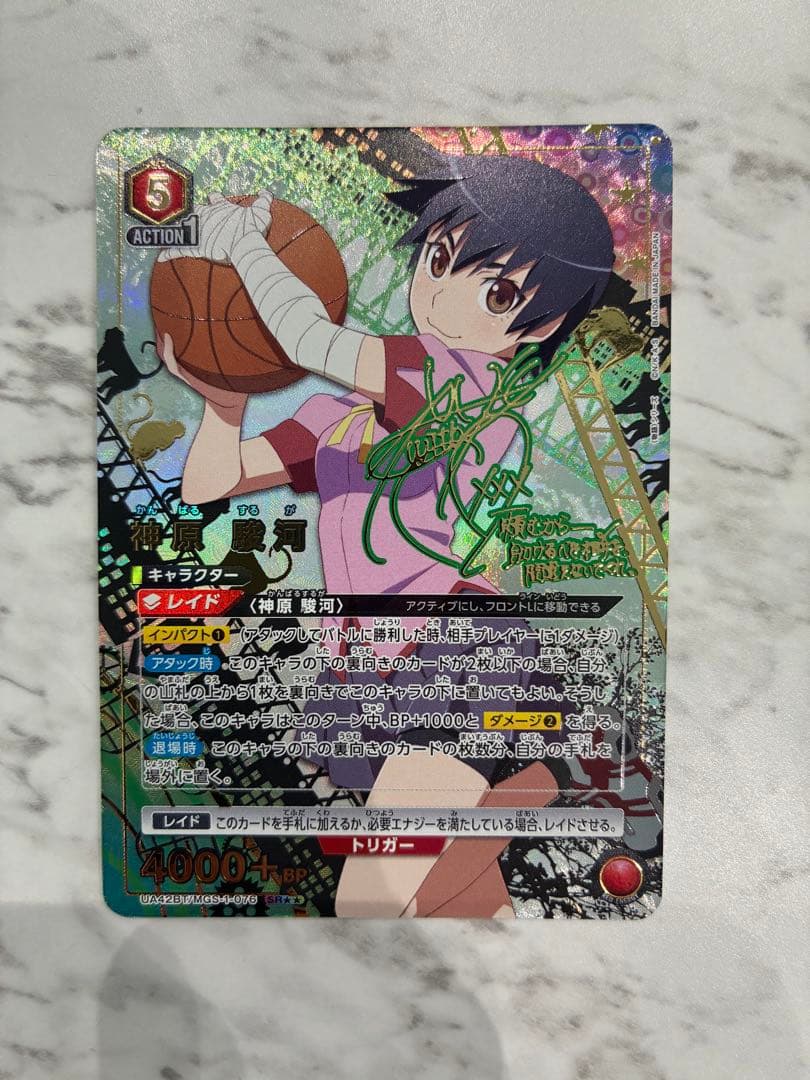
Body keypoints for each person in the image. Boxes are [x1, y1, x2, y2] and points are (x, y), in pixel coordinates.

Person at [158, 154, 615, 916]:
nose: (444, 295)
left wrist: (245, 248)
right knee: (461, 910)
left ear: (541, 325)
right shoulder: (338, 419)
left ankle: (530, 785)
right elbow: (212, 483)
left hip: (450, 647)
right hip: (368, 667)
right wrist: (224, 405)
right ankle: (527, 789)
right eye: (439, 258)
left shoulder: (464, 382)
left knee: (370, 902)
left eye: (497, 293)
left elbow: (307, 338)